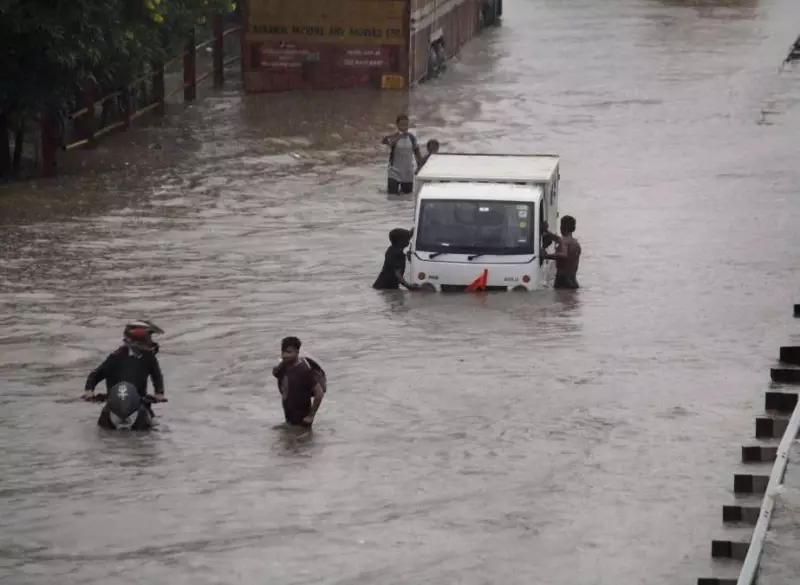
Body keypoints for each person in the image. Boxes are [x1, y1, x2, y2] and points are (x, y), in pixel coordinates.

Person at [272, 337, 325, 428]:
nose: (285, 355)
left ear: (297, 352)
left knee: (303, 441)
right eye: (283, 352)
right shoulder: (285, 365)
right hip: (289, 417)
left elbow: (319, 393)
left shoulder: (303, 371)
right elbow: (276, 374)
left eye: (289, 352)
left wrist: (311, 416)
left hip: (302, 420)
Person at [381, 114, 422, 195]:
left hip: (407, 172)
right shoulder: (394, 137)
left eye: (406, 125)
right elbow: (385, 142)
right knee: (392, 196)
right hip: (394, 171)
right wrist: (397, 137)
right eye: (402, 125)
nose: (404, 127)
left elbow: (417, 153)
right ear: (397, 125)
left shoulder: (411, 138)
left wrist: (419, 167)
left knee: (406, 197)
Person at [542, 215, 581, 289]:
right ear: (574, 228)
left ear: (562, 228)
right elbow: (558, 239)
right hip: (573, 281)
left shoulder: (563, 241)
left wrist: (545, 256)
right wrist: (546, 231)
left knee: (560, 299)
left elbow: (563, 255)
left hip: (563, 280)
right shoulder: (575, 243)